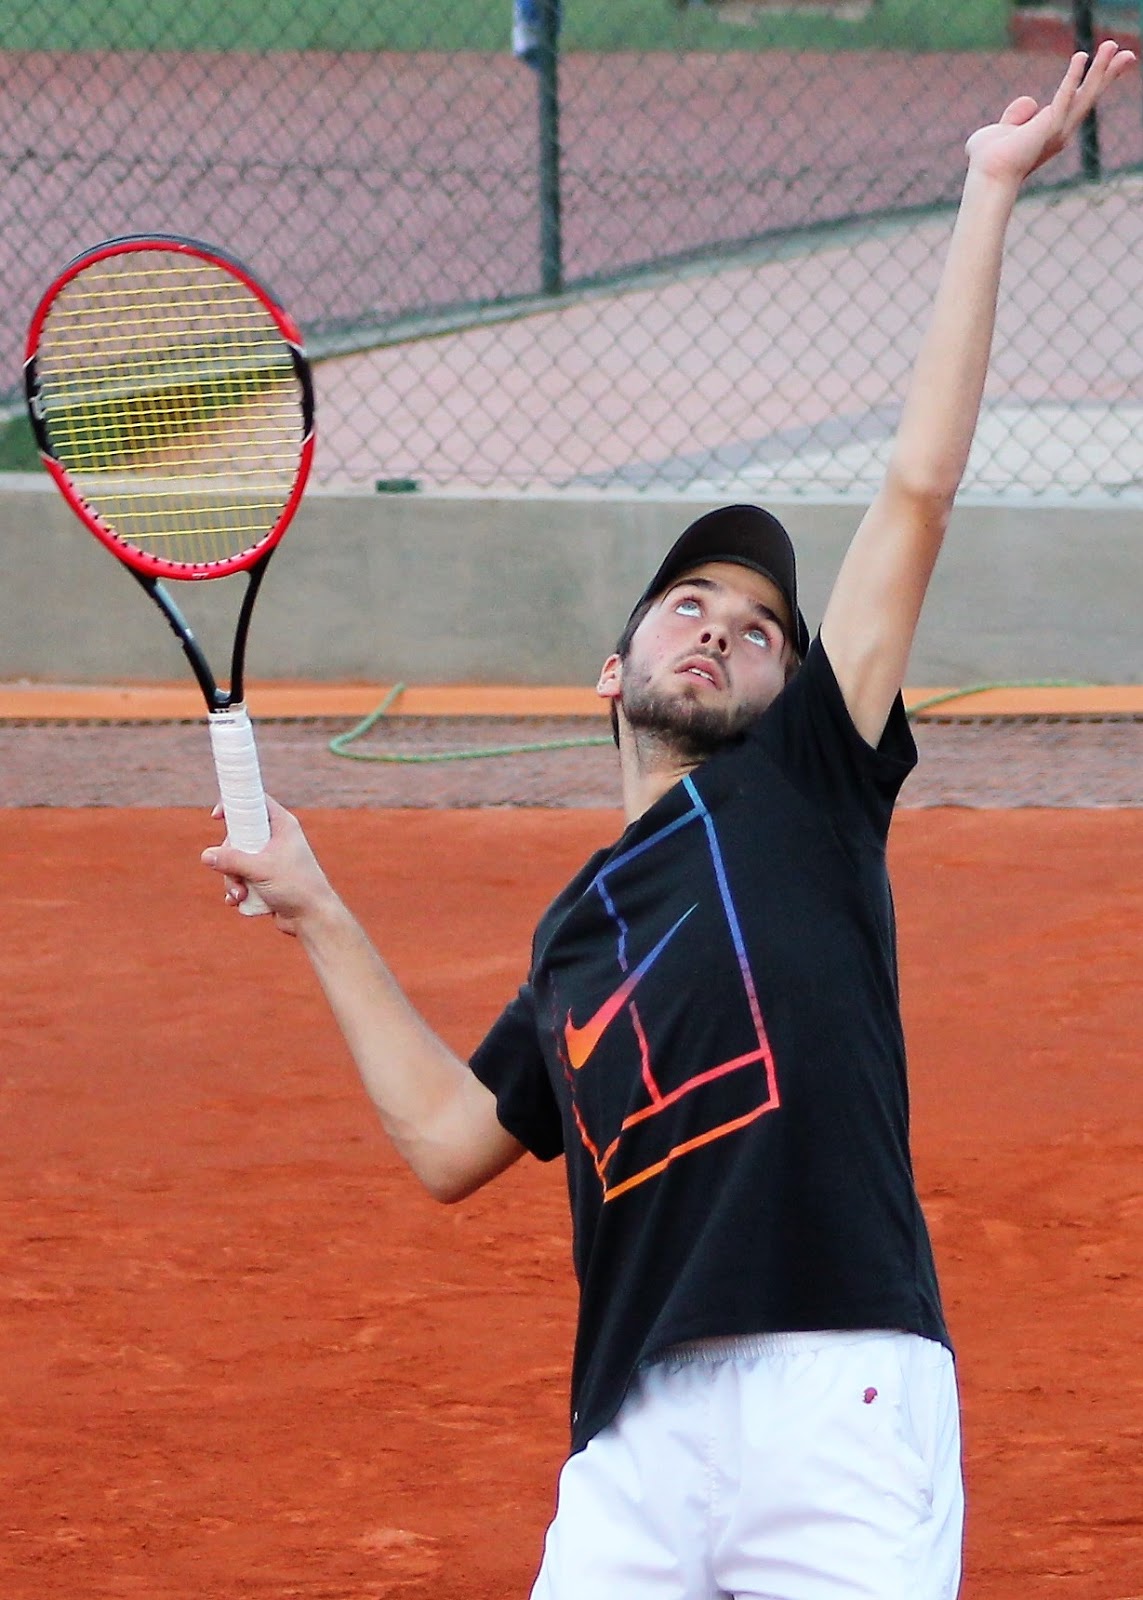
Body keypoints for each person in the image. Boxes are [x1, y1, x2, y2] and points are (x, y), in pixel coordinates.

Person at [202, 44, 1135, 1600]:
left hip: (837, 1397)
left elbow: (912, 492)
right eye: (686, 606)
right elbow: (447, 1142)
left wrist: (986, 190)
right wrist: (315, 907)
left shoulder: (806, 787)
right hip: (632, 1440)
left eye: (759, 629)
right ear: (611, 668)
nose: (718, 631)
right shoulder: (581, 931)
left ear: (792, 691)